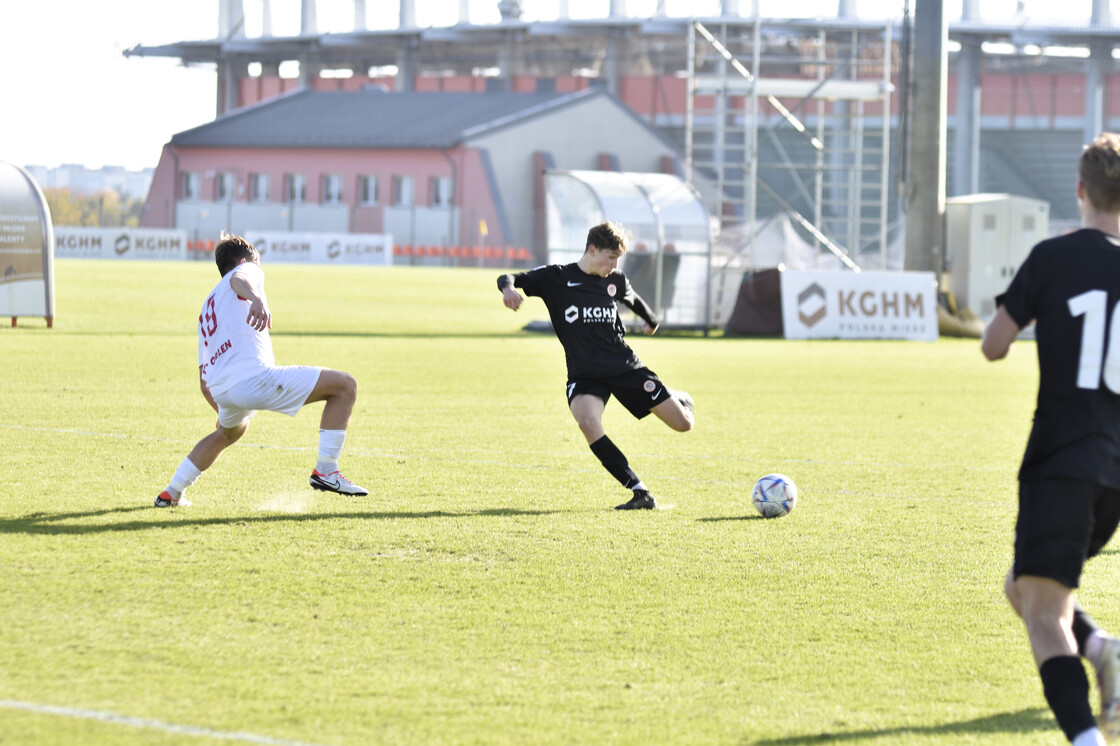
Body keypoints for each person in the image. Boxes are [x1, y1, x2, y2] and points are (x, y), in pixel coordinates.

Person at [982, 132, 1120, 745]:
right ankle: (1103, 648)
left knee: (1041, 611)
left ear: (1081, 190)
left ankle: (1088, 739)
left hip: (1062, 457)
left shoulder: (1052, 257)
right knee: (1027, 585)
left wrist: (1039, 307)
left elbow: (993, 344)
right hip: (1116, 470)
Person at [154, 233, 367, 507]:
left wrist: (222, 410)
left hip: (222, 389)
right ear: (244, 261)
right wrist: (257, 298)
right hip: (253, 379)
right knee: (345, 386)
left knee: (229, 432)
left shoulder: (208, 308)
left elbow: (203, 380)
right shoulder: (245, 271)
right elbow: (238, 279)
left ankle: (171, 492)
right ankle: (326, 470)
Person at [497, 220, 694, 510]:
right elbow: (508, 276)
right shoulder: (557, 278)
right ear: (592, 250)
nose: (614, 264)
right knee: (587, 421)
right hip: (585, 373)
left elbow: (634, 299)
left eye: (618, 259)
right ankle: (641, 493)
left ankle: (676, 397)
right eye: (611, 257)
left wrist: (651, 320)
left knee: (683, 425)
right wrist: (508, 291)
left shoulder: (615, 280)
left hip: (624, 367)